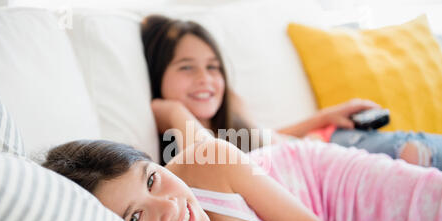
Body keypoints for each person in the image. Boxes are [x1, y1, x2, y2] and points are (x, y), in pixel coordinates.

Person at [42, 104, 442, 221]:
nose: (167, 206)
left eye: (152, 178)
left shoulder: (209, 158)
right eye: (133, 217)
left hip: (335, 181)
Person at [141, 14, 442, 170]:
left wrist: (325, 116)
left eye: (213, 67)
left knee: (416, 152)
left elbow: (266, 139)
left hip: (333, 142)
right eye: (186, 67)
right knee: (415, 157)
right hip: (331, 164)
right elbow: (217, 161)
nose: (205, 79)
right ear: (158, 76)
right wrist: (173, 112)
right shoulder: (176, 127)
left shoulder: (231, 109)